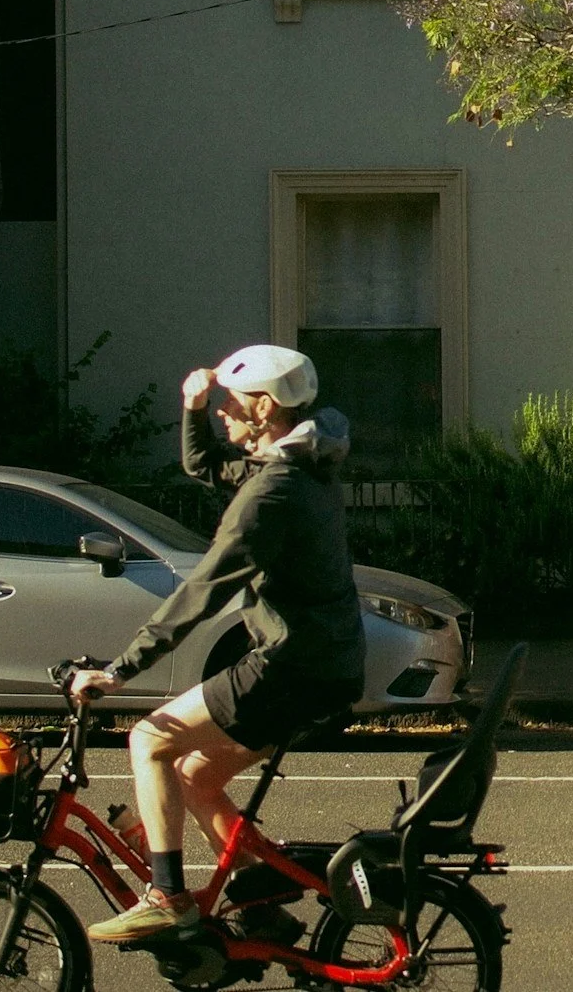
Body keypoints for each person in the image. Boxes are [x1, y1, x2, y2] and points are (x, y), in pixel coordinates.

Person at [71, 343, 366, 944]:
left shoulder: (272, 492)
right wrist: (194, 407)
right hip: (326, 663)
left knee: (149, 739)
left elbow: (202, 588)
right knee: (196, 775)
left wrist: (121, 670)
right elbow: (203, 465)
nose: (225, 413)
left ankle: (168, 897)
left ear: (263, 408)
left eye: (232, 404)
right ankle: (261, 900)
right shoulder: (302, 465)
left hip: (291, 666)